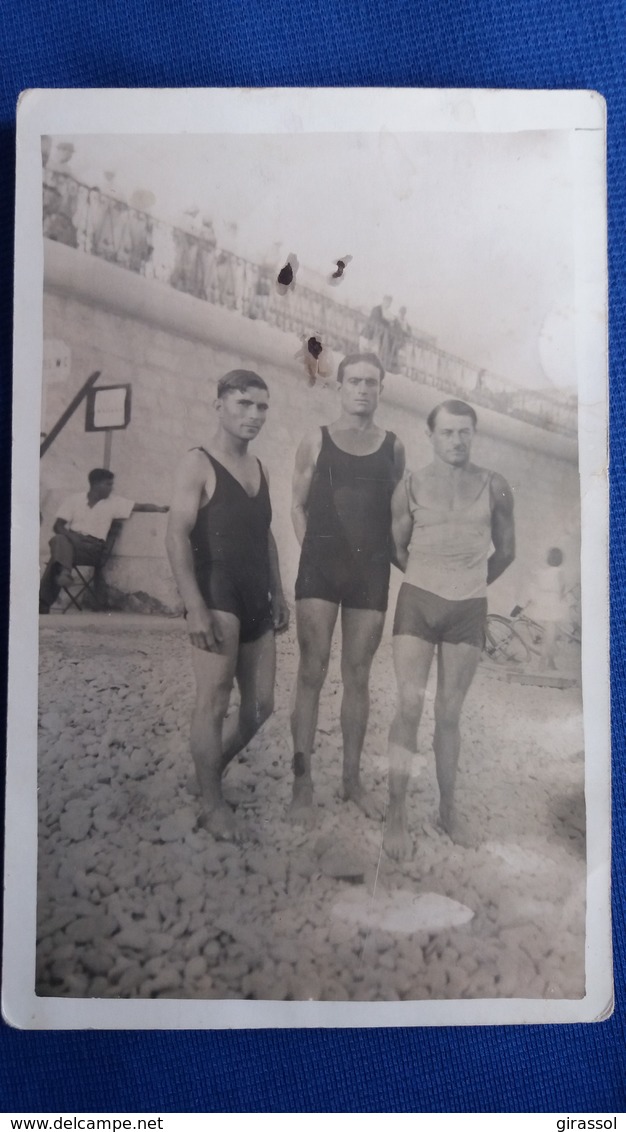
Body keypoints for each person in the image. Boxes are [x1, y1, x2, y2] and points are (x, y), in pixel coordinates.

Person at [383, 399, 515, 859]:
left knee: (450, 714)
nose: (457, 441)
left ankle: (448, 810)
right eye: (447, 433)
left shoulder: (495, 486)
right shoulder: (410, 486)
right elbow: (396, 548)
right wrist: (432, 579)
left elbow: (506, 551)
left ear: (473, 435)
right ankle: (396, 813)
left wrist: (469, 585)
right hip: (418, 602)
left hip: (468, 608)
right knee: (408, 705)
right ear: (430, 435)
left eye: (465, 433)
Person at [166, 370, 289, 841]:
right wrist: (193, 604)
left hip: (257, 593)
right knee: (214, 701)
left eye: (262, 406)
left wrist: (279, 592)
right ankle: (213, 805)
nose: (254, 415)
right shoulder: (197, 463)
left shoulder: (261, 469)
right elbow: (176, 533)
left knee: (261, 706)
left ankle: (207, 770)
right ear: (218, 404)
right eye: (243, 403)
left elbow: (266, 534)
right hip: (218, 594)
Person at [290, 352, 406, 822]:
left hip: (371, 571)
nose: (362, 389)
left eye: (371, 382)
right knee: (311, 672)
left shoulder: (393, 446)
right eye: (354, 381)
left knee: (358, 676)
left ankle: (351, 780)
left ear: (381, 390)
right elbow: (297, 505)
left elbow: (399, 519)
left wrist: (412, 564)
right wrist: (310, 553)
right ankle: (302, 782)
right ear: (339, 387)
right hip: (320, 568)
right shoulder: (315, 440)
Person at [39, 468, 168, 613]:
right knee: (59, 540)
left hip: (93, 549)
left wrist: (159, 508)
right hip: (72, 545)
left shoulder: (114, 502)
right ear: (96, 484)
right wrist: (73, 537)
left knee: (59, 549)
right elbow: (58, 526)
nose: (111, 488)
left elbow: (141, 506)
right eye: (108, 484)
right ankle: (61, 575)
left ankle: (55, 585)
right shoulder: (74, 500)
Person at [514, 547, 568, 670]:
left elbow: (535, 586)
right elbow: (562, 588)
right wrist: (562, 598)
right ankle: (544, 660)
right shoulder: (559, 572)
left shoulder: (542, 572)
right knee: (551, 633)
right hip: (553, 602)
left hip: (542, 601)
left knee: (548, 632)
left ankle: (549, 661)